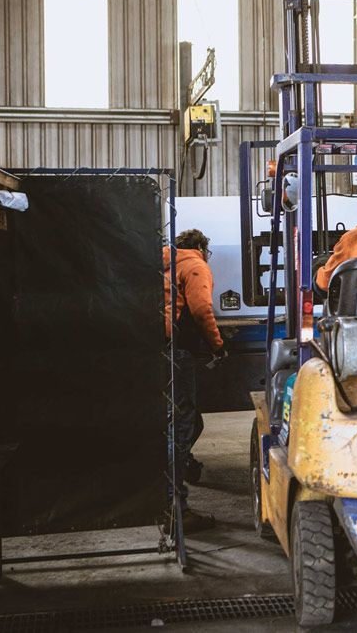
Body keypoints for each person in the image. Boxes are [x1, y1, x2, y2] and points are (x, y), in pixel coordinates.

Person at [163, 228, 225, 532]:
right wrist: (218, 346)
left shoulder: (162, 263)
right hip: (178, 350)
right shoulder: (196, 264)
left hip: (156, 349)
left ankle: (179, 472)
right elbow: (201, 309)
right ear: (200, 247)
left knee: (185, 422)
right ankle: (176, 508)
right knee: (182, 423)